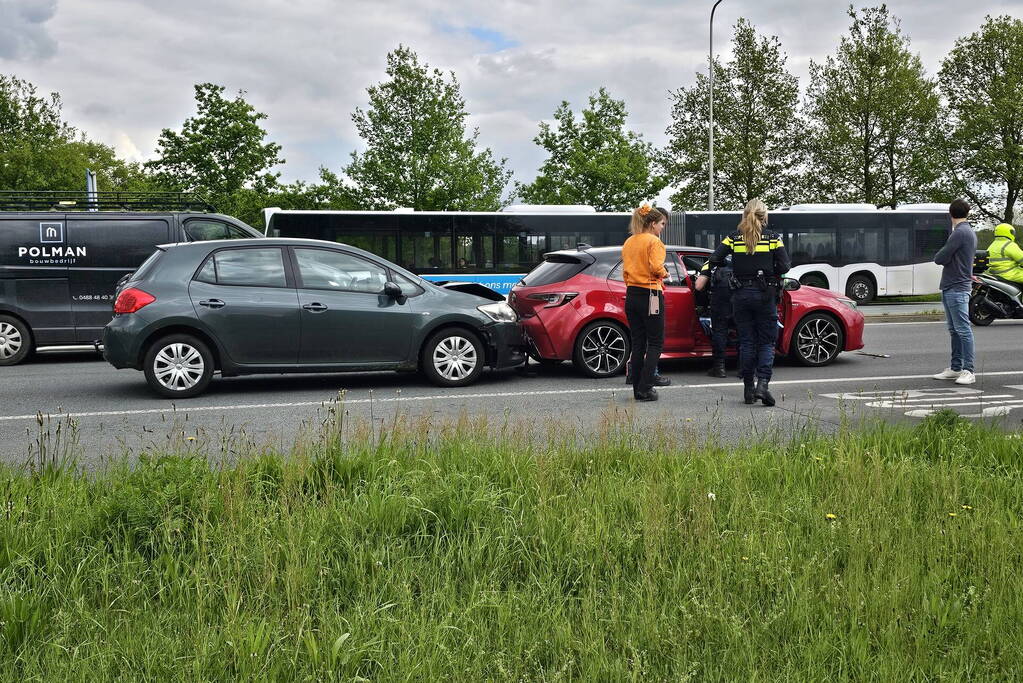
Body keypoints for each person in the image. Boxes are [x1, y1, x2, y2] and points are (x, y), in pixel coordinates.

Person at [707, 199, 790, 406]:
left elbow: (715, 259)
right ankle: (763, 384)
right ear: (764, 216)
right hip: (765, 295)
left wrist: (734, 266)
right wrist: (769, 270)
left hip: (740, 295)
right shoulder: (773, 238)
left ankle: (748, 390)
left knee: (746, 342)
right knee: (766, 342)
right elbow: (785, 266)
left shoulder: (733, 238)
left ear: (744, 215)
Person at [622, 203, 668, 402]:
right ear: (652, 224)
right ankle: (646, 387)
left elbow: (625, 272)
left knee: (638, 342)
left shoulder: (629, 242)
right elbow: (656, 267)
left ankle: (636, 388)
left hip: (632, 293)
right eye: (661, 224)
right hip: (651, 294)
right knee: (655, 342)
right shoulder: (654, 241)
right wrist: (665, 273)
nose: (662, 228)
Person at [933, 198, 977, 385]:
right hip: (954, 286)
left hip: (956, 287)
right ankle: (956, 367)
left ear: (951, 214)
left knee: (962, 330)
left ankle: (968, 370)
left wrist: (940, 255)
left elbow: (940, 258)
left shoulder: (959, 233)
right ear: (966, 213)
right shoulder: (968, 232)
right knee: (955, 330)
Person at [695, 255, 733, 377]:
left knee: (720, 331)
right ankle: (745, 369)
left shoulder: (711, 261)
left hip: (720, 302)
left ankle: (719, 368)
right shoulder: (741, 259)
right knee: (744, 332)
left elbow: (698, 286)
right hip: (741, 300)